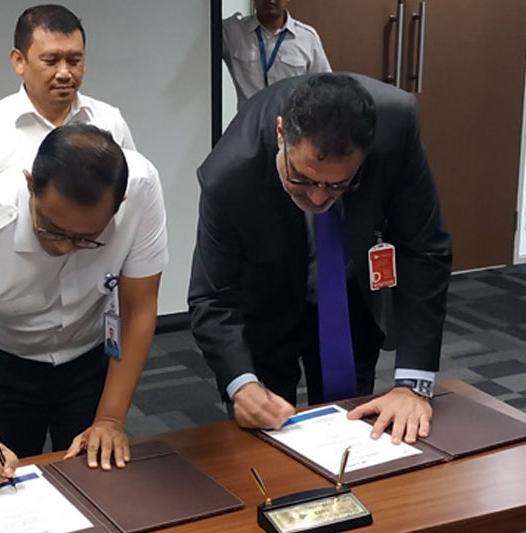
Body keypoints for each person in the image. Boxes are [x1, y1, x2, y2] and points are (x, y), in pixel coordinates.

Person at [188, 73, 452, 444]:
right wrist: (241, 385)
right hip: (266, 297)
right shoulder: (229, 174)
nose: (317, 198)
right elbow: (212, 297)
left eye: (338, 185)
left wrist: (413, 385)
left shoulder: (395, 126)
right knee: (265, 433)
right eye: (302, 178)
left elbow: (424, 250)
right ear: (281, 134)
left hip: (349, 294)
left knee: (351, 423)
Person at [0, 123, 167, 486]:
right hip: (7, 361)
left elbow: (138, 310)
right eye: (51, 229)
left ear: (119, 205)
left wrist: (110, 419)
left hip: (91, 353)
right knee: (3, 479)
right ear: (30, 184)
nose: (64, 247)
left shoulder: (140, 190)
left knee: (97, 482)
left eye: (86, 238)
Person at [0, 4, 136, 227]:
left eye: (74, 61)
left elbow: (133, 200)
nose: (64, 73)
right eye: (51, 61)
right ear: (19, 61)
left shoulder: (110, 122)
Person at [222, 0, 331, 110]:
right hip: (250, 119)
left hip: (291, 119)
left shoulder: (307, 38)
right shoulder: (232, 32)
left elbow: (325, 88)